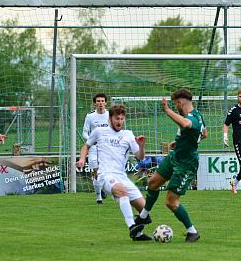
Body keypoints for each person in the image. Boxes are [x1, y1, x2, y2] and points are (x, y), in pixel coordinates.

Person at [136, 89, 206, 243]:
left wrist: (167, 110)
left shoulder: (192, 118)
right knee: (153, 183)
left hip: (186, 164)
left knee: (171, 202)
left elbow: (187, 124)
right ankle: (143, 216)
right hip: (175, 156)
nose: (176, 108)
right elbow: (204, 134)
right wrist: (181, 142)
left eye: (176, 105)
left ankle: (192, 231)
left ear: (181, 102)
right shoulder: (198, 116)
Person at [76, 104, 152, 241]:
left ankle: (138, 233)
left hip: (122, 176)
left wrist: (141, 147)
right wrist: (82, 159)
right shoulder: (99, 131)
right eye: (117, 118)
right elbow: (86, 146)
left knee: (145, 210)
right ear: (110, 118)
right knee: (121, 191)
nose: (120, 122)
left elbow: (140, 157)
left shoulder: (128, 134)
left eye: (122, 119)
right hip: (105, 174)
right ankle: (132, 227)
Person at [82, 93, 109, 204]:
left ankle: (103, 187)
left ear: (105, 102)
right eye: (98, 101)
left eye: (102, 101)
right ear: (94, 103)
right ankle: (99, 197)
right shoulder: (90, 116)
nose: (100, 103)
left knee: (106, 172)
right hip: (93, 148)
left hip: (107, 147)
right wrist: (91, 141)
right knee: (95, 170)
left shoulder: (110, 115)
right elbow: (84, 132)